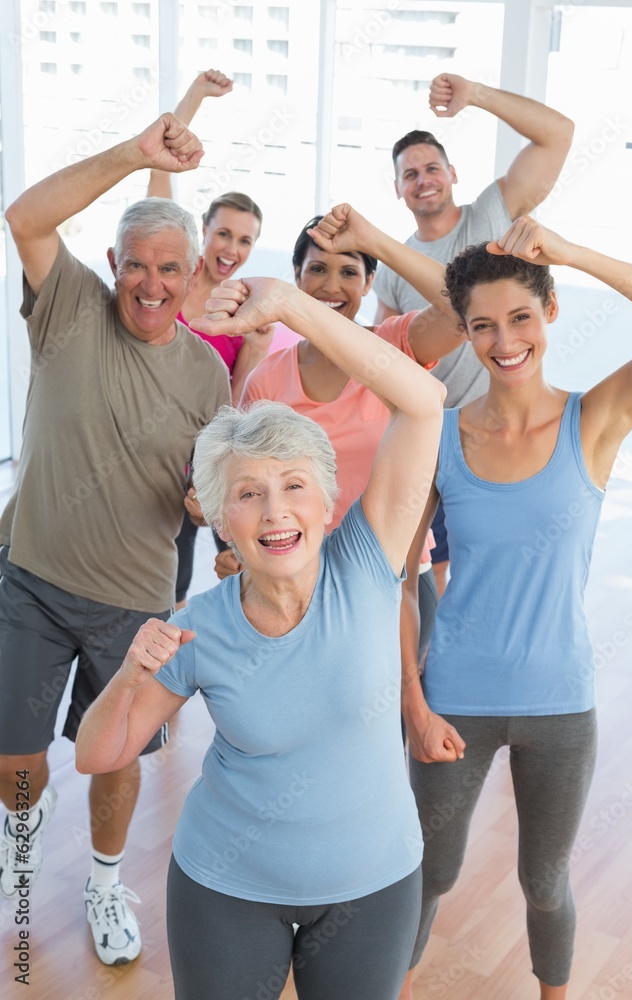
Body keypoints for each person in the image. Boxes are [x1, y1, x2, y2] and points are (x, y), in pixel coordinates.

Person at [74, 268, 447, 1000]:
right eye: (248, 493)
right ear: (219, 515)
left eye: (293, 484)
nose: (276, 511)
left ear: (327, 494)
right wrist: (127, 673)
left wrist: (287, 306)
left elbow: (424, 399)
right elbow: (99, 753)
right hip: (227, 888)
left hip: (373, 885)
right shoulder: (194, 630)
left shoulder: (368, 560)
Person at [398, 216, 632, 1000]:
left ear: (549, 311)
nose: (502, 340)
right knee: (428, 875)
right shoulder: (438, 436)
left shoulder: (595, 419)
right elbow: (396, 579)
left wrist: (575, 250)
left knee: (544, 883)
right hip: (451, 702)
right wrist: (413, 704)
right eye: (481, 325)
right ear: (465, 337)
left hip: (558, 702)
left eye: (519, 316)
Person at [0, 114, 230, 965]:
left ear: (193, 273)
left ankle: (103, 882)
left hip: (132, 609)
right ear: (112, 267)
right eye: (135, 263)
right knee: (14, 761)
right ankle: (23, 823)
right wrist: (136, 154)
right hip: (31, 579)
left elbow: (208, 491)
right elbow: (25, 216)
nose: (150, 281)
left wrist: (211, 513)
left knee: (115, 760)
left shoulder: (208, 372)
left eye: (170, 267)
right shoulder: (67, 309)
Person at [238, 207, 465, 665]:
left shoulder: (395, 348)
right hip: (300, 582)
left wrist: (374, 238)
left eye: (349, 270)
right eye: (317, 269)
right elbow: (245, 486)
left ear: (368, 283)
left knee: (386, 726)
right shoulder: (267, 381)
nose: (331, 285)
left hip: (395, 579)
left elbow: (463, 309)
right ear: (297, 279)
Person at [375, 72, 574, 594]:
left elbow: (558, 133)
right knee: (424, 570)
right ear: (398, 189)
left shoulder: (491, 212)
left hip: (501, 426)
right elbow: (386, 357)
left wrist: (477, 96)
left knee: (496, 565)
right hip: (435, 437)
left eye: (432, 167)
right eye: (410, 174)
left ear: (452, 172)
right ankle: (421, 668)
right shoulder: (395, 266)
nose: (423, 179)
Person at [146, 69, 270, 607]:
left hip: (203, 452)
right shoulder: (171, 274)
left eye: (245, 240)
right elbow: (157, 180)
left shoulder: (243, 309)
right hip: (146, 444)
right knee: (160, 573)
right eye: (224, 232)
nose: (232, 248)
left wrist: (260, 345)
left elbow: (233, 404)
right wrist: (194, 97)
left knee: (239, 559)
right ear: (203, 229)